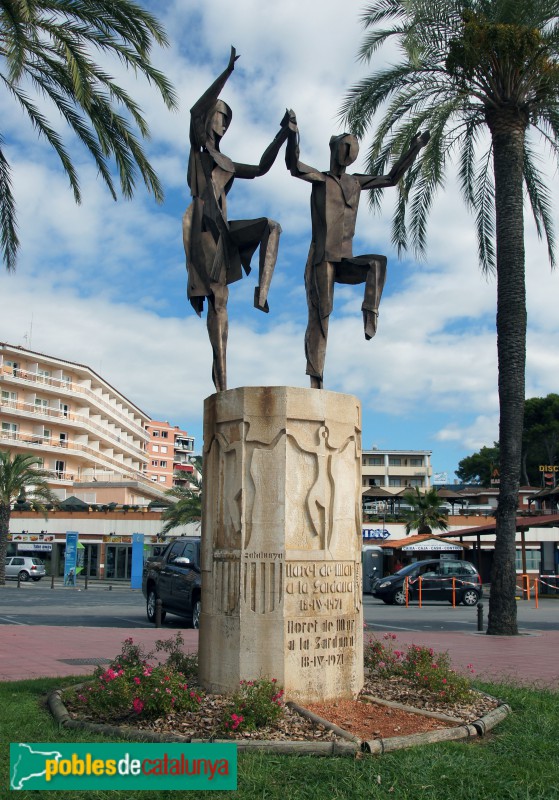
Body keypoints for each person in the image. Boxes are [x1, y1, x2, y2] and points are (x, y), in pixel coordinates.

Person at [183, 46, 296, 392]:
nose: (222, 121)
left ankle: (260, 294)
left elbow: (262, 168)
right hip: (204, 227)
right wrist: (228, 72)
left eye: (227, 118)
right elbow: (195, 110)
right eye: (220, 114)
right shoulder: (197, 151)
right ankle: (221, 382)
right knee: (219, 302)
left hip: (225, 231)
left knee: (271, 227)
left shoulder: (227, 161)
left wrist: (282, 134)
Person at [286, 125, 429, 388]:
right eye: (345, 146)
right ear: (334, 148)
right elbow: (293, 165)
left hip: (344, 259)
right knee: (321, 313)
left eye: (353, 149)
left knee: (377, 263)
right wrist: (292, 133)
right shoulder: (320, 178)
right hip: (321, 258)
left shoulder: (356, 182)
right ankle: (316, 378)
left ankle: (370, 312)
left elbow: (392, 178)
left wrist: (415, 148)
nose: (349, 153)